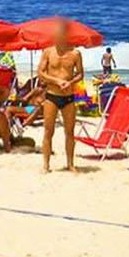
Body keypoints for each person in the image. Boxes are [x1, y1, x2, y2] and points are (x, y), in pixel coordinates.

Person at [38, 19, 84, 173]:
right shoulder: (48, 52)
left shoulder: (75, 53)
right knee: (48, 131)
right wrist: (58, 81)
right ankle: (46, 165)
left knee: (69, 132)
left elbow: (80, 74)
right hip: (52, 95)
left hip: (68, 96)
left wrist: (69, 82)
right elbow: (41, 73)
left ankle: (70, 164)